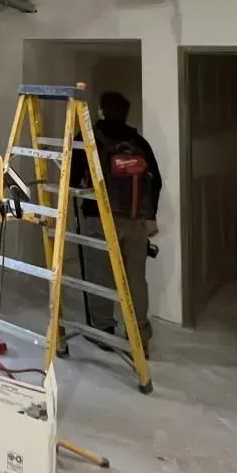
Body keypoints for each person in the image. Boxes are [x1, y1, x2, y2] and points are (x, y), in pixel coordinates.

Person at [71, 90, 162, 353]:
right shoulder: (137, 141)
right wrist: (150, 216)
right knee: (135, 278)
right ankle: (139, 336)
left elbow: (74, 178)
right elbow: (155, 180)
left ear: (101, 111)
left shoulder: (88, 139)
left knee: (100, 274)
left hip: (98, 218)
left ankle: (103, 331)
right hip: (134, 221)